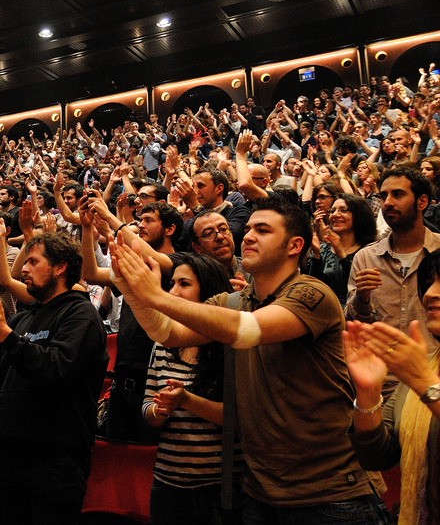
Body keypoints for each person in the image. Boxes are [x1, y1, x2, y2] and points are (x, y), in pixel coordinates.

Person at [108, 198, 387, 523]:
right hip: (259, 495)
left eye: (263, 230)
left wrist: (154, 295)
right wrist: (131, 291)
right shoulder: (234, 301)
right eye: (250, 227)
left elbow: (247, 330)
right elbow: (166, 332)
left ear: (295, 245)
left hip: (330, 495)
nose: (249, 235)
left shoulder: (313, 294)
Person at [0, 232, 107, 525]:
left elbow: (55, 370)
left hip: (55, 462)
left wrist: (4, 335)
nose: (23, 269)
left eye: (32, 261)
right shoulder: (22, 319)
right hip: (10, 457)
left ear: (60, 267)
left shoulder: (80, 314)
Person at [142, 253, 242, 525]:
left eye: (184, 284)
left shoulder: (230, 342)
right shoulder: (164, 342)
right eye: (171, 283)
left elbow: (240, 419)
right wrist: (159, 411)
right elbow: (147, 408)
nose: (173, 291)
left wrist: (186, 400)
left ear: (208, 291)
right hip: (167, 482)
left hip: (221, 485)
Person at [346, 249, 440, 525]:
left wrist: (426, 385)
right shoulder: (424, 365)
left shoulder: (421, 372)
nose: (431, 293)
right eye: (429, 284)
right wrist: (367, 393)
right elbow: (377, 456)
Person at [347, 167, 440, 395]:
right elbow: (354, 323)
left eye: (397, 195)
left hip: (431, 379)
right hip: (380, 382)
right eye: (383, 196)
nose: (387, 202)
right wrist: (362, 297)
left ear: (422, 202)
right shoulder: (366, 257)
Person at [307, 194, 376, 303]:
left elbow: (359, 288)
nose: (335, 215)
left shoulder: (370, 249)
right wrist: (316, 253)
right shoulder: (324, 248)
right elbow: (313, 288)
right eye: (332, 211)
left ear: (359, 215)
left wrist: (341, 253)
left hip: (357, 311)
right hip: (328, 311)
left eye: (343, 210)